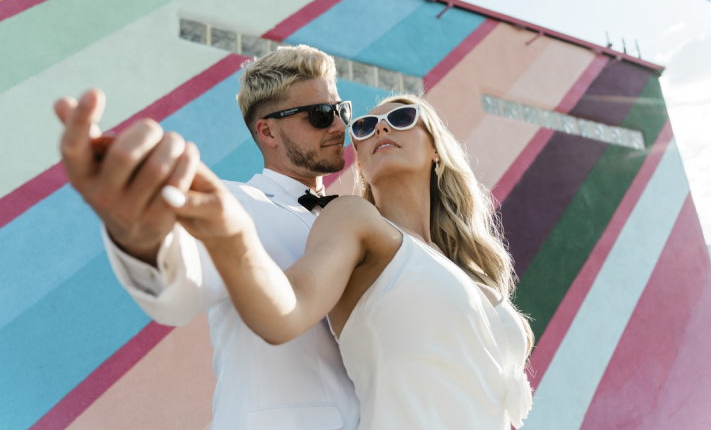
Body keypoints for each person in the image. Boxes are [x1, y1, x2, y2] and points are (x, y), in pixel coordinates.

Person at [159, 94, 535, 429]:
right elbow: (288, 307)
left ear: (436, 148)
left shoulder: (474, 276)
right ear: (360, 164)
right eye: (365, 127)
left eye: (402, 117)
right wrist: (231, 237)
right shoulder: (354, 221)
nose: (381, 126)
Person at [54, 45, 360, 430]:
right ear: (267, 130)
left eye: (340, 111)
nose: (338, 126)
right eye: (320, 115)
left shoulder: (357, 221)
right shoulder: (235, 203)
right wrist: (143, 241)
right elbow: (183, 282)